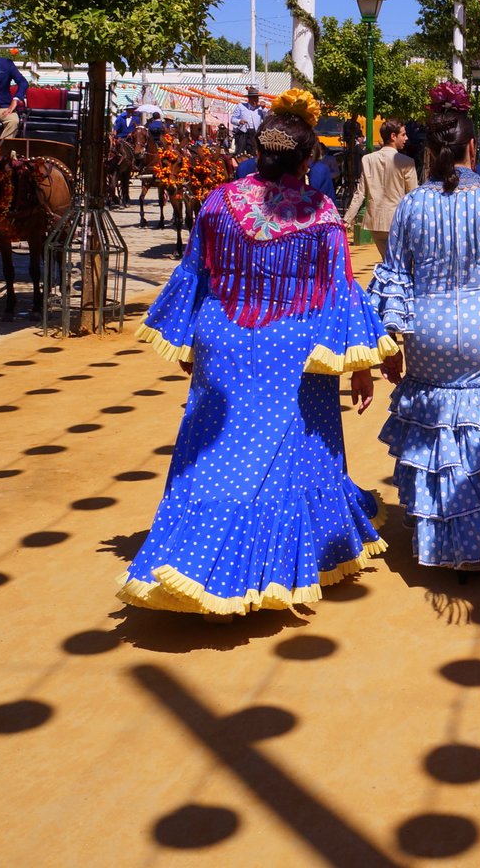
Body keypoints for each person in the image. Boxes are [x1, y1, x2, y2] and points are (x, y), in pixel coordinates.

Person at [119, 89, 394, 618]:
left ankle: (187, 553)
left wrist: (186, 341)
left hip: (222, 336)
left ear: (258, 151)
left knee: (212, 449)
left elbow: (196, 271)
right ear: (308, 159)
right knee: (290, 453)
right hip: (294, 345)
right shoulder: (321, 213)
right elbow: (339, 290)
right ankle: (250, 567)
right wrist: (362, 365)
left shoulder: (218, 202)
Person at [367, 82, 480, 573]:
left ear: (430, 152)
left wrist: (390, 343)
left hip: (426, 334)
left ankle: (443, 530)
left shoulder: (413, 207)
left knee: (436, 434)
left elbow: (395, 280)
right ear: (474, 147)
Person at [343, 120, 417, 257]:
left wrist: (347, 219)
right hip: (398, 220)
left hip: (375, 221)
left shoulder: (368, 159)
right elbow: (413, 196)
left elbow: (360, 193)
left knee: (387, 260)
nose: (406, 138)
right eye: (403, 135)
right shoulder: (407, 162)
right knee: (399, 263)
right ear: (393, 136)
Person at [228, 87, 265, 155]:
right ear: (249, 98)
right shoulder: (241, 106)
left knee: (254, 152)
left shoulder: (260, 109)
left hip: (254, 133)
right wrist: (239, 121)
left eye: (256, 98)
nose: (255, 100)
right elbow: (232, 119)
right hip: (243, 132)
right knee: (239, 152)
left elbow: (266, 119)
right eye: (253, 98)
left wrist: (263, 109)